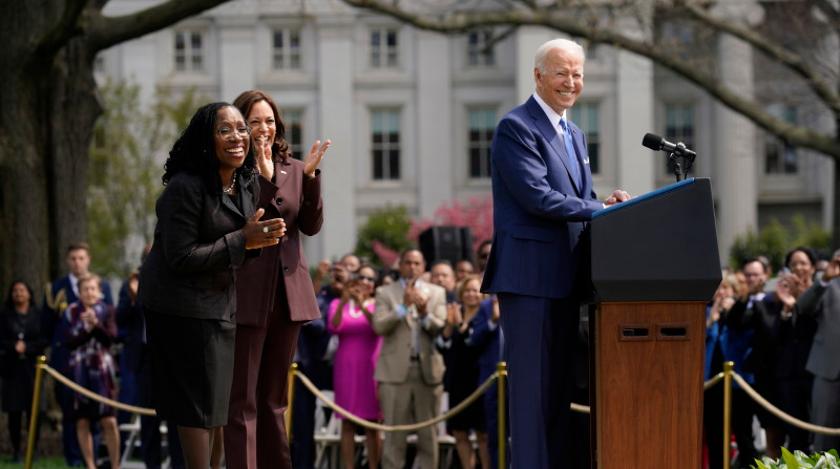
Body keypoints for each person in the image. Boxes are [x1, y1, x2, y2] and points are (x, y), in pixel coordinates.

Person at [479, 38, 630, 468]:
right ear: (538, 76)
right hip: (529, 282)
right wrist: (599, 208)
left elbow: (579, 197)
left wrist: (611, 205)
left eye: (578, 73)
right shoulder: (517, 127)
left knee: (559, 396)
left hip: (568, 280)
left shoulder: (575, 133)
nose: (571, 82)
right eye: (562, 72)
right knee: (531, 400)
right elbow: (538, 197)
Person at [138, 101, 285, 469]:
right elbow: (181, 257)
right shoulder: (184, 189)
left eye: (241, 129)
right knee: (196, 408)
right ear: (207, 139)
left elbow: (243, 246)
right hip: (178, 309)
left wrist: (257, 241)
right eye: (225, 130)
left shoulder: (246, 181)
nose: (238, 137)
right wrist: (243, 240)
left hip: (220, 304)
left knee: (219, 406)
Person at [224, 89, 330, 469]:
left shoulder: (296, 169)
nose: (263, 129)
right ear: (239, 127)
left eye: (269, 121)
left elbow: (312, 226)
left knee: (274, 400)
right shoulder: (232, 171)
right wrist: (265, 178)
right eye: (254, 122)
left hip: (289, 296)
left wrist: (312, 176)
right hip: (248, 296)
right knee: (243, 400)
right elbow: (253, 222)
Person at [373, 249, 447, 469]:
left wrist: (424, 313)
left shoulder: (437, 292)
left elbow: (440, 327)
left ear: (423, 266)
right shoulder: (385, 292)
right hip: (394, 373)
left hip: (427, 371)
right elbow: (379, 326)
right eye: (408, 262)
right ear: (400, 266)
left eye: (417, 263)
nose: (412, 267)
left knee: (428, 436)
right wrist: (403, 307)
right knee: (394, 435)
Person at [42, 242, 114, 467]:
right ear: (67, 261)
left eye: (81, 258)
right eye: (73, 258)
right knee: (73, 414)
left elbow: (111, 324)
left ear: (88, 259)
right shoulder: (57, 287)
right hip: (69, 361)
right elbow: (50, 326)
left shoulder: (104, 288)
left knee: (100, 414)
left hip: (99, 363)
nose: (77, 262)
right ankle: (74, 459)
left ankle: (97, 458)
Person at [116, 268, 184, 469]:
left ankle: (178, 465)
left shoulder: (176, 280)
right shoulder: (133, 283)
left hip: (172, 360)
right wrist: (135, 298)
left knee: (176, 419)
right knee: (148, 418)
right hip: (145, 359)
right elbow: (120, 319)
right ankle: (151, 464)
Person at [62, 274, 120, 469]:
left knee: (109, 420)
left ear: (100, 291)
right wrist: (86, 329)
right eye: (85, 289)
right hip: (79, 373)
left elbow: (110, 338)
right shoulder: (70, 312)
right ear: (79, 292)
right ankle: (90, 465)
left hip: (103, 373)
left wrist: (95, 325)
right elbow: (68, 341)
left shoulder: (108, 310)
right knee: (82, 421)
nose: (89, 292)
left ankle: (115, 465)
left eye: (93, 288)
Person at [327, 266, 383, 469]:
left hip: (371, 368)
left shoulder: (378, 304)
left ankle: (374, 465)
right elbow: (334, 327)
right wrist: (344, 300)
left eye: (370, 278)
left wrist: (362, 304)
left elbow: (378, 327)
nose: (366, 282)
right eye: (362, 277)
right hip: (346, 369)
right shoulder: (336, 303)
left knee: (372, 424)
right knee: (347, 422)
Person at [439, 276, 490, 469]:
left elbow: (474, 344)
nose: (470, 294)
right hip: (457, 382)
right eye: (467, 290)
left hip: (479, 381)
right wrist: (448, 327)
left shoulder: (485, 315)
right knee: (460, 432)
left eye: (474, 290)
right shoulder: (455, 313)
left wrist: (461, 327)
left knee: (482, 433)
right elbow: (443, 346)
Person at [793, 248, 840, 452]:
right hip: (829, 372)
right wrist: (825, 279)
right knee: (824, 440)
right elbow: (803, 307)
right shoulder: (828, 285)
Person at [0, 280, 48, 462]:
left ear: (29, 293)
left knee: (34, 411)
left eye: (22, 290)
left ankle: (32, 450)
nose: (19, 293)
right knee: (14, 412)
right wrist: (13, 346)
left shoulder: (39, 316)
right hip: (12, 370)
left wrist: (27, 347)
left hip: (33, 370)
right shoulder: (4, 316)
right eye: (15, 291)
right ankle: (16, 451)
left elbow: (44, 339)